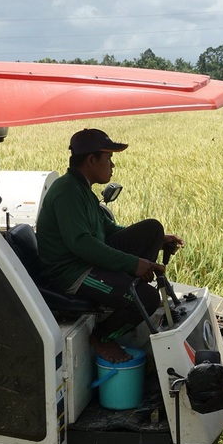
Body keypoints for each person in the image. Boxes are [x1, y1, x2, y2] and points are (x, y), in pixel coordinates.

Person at [36, 128, 184, 362]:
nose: (112, 165)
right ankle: (102, 337)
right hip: (73, 272)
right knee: (146, 299)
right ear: (91, 160)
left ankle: (127, 285)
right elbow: (82, 244)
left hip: (86, 260)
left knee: (152, 229)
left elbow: (108, 229)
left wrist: (159, 239)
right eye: (108, 159)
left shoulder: (81, 189)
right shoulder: (67, 192)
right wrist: (133, 263)